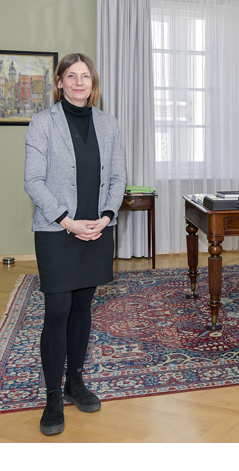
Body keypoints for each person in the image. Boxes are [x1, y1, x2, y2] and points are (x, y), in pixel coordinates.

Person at [24, 53, 126, 434]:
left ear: (92, 82)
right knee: (58, 310)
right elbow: (33, 181)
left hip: (96, 231)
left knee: (83, 306)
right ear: (60, 81)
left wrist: (105, 218)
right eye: (72, 76)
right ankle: (52, 396)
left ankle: (75, 383)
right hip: (57, 232)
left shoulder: (109, 124)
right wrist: (67, 221)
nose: (80, 82)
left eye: (86, 76)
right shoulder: (42, 123)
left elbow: (118, 178)